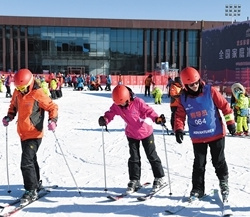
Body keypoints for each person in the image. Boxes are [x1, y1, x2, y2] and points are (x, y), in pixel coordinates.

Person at [174, 67, 236, 200]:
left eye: (196, 82)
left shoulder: (210, 91)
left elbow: (225, 106)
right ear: (185, 85)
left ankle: (224, 183)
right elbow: (179, 116)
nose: (195, 86)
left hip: (216, 134)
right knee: (199, 164)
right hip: (198, 137)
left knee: (218, 161)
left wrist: (230, 122)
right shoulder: (183, 98)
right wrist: (178, 129)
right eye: (191, 84)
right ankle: (197, 189)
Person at [2, 68, 58, 205]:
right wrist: (9, 117)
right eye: (18, 87)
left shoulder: (38, 93)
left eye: (23, 87)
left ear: (30, 83)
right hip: (23, 132)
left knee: (25, 162)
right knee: (31, 160)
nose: (20, 90)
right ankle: (36, 184)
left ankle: (30, 190)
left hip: (35, 133)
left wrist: (53, 121)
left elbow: (52, 107)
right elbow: (13, 107)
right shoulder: (17, 92)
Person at [98, 85, 167, 193]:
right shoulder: (117, 105)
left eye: (122, 103)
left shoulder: (138, 102)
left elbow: (149, 111)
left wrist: (157, 119)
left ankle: (160, 177)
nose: (120, 105)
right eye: (118, 104)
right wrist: (105, 119)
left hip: (145, 132)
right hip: (131, 134)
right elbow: (110, 113)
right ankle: (135, 180)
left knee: (151, 155)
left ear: (128, 98)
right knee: (134, 158)